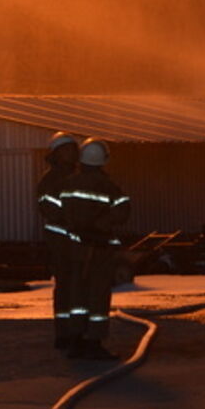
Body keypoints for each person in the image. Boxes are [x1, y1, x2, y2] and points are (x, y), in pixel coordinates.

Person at [58, 137, 130, 360]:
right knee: (97, 296)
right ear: (103, 160)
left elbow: (62, 213)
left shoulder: (69, 184)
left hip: (76, 249)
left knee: (77, 295)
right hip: (99, 250)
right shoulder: (106, 186)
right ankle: (94, 342)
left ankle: (75, 341)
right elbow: (123, 211)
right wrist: (102, 223)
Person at [36, 131, 81, 349]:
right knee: (65, 288)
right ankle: (64, 334)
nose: (71, 154)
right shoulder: (51, 180)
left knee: (80, 289)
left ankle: (78, 332)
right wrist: (73, 218)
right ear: (56, 154)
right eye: (66, 150)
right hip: (61, 243)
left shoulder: (78, 177)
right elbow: (50, 209)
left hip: (79, 241)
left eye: (73, 150)